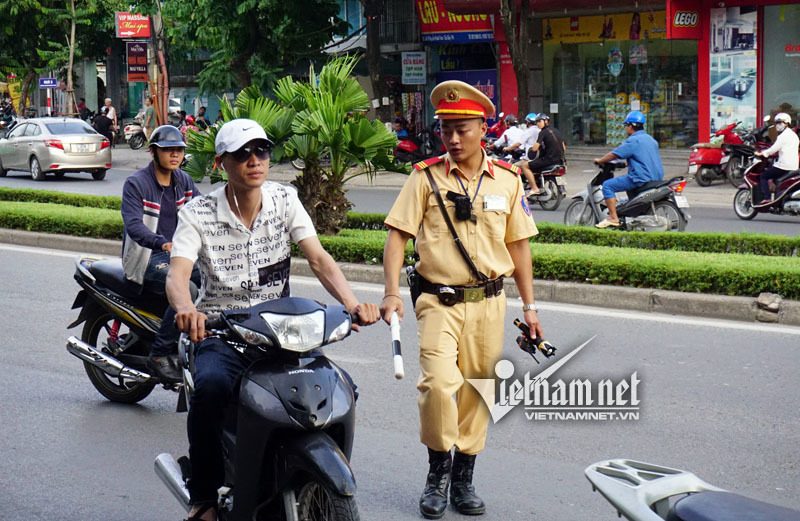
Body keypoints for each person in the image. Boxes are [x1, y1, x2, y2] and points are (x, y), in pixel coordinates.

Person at [165, 119, 380, 521]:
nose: (253, 160)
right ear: (220, 163)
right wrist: (186, 310)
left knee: (341, 387)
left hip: (279, 331)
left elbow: (318, 258)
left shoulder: (285, 199)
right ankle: (205, 496)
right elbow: (177, 276)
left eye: (260, 151)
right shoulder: (197, 213)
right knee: (210, 388)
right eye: (242, 154)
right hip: (222, 332)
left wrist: (353, 303)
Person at [379, 81, 543, 519]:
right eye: (446, 129)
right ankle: (438, 471)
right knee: (437, 385)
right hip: (438, 301)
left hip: (490, 303)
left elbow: (520, 246)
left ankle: (464, 477)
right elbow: (398, 237)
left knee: (477, 392)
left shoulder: (507, 180)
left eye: (462, 129)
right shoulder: (425, 177)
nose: (452, 139)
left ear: (483, 128)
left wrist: (530, 309)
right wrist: (392, 292)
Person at [120, 125, 201, 383]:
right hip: (148, 259)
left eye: (178, 150)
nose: (174, 155)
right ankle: (160, 353)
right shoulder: (137, 183)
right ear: (154, 152)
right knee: (186, 289)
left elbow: (203, 210)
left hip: (180, 255)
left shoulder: (183, 181)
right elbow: (133, 225)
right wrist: (162, 243)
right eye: (168, 150)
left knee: (215, 279)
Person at [592, 110, 664, 228]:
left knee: (608, 186)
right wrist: (626, 163)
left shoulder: (633, 140)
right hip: (656, 177)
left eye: (626, 126)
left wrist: (600, 160)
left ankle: (613, 218)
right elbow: (643, 156)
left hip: (641, 178)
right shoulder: (651, 139)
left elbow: (614, 154)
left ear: (631, 126)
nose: (625, 129)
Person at [753, 112, 799, 206]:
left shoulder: (783, 136)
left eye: (780, 123)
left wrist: (762, 153)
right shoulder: (794, 135)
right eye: (777, 123)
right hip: (794, 165)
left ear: (787, 123)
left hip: (784, 165)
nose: (778, 125)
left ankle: (767, 198)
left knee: (764, 176)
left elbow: (773, 149)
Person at [519, 113, 565, 196]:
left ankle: (534, 188)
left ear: (546, 121)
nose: (538, 124)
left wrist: (531, 149)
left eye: (539, 121)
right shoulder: (556, 131)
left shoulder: (543, 132)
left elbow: (535, 148)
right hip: (560, 160)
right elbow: (564, 147)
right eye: (537, 122)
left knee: (525, 165)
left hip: (548, 160)